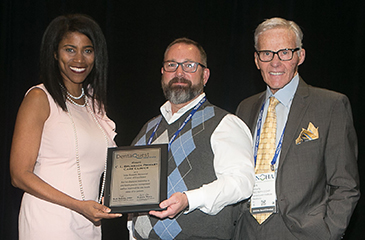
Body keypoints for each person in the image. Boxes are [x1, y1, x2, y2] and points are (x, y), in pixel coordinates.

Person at [234, 17, 360, 240]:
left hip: (302, 233)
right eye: (267, 53)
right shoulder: (245, 108)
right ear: (256, 60)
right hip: (246, 230)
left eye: (284, 52)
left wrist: (328, 232)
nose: (275, 62)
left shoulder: (330, 105)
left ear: (300, 56)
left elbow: (345, 185)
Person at [127, 37, 255, 239]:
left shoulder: (225, 123)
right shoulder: (148, 128)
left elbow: (242, 182)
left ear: (205, 75)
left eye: (189, 65)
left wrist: (189, 199)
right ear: (162, 72)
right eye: (172, 65)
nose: (179, 73)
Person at [10, 14, 122, 240]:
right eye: (70, 49)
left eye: (87, 50)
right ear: (54, 52)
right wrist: (77, 205)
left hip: (89, 222)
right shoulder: (40, 98)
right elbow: (19, 175)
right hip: (49, 221)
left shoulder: (94, 104)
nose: (79, 59)